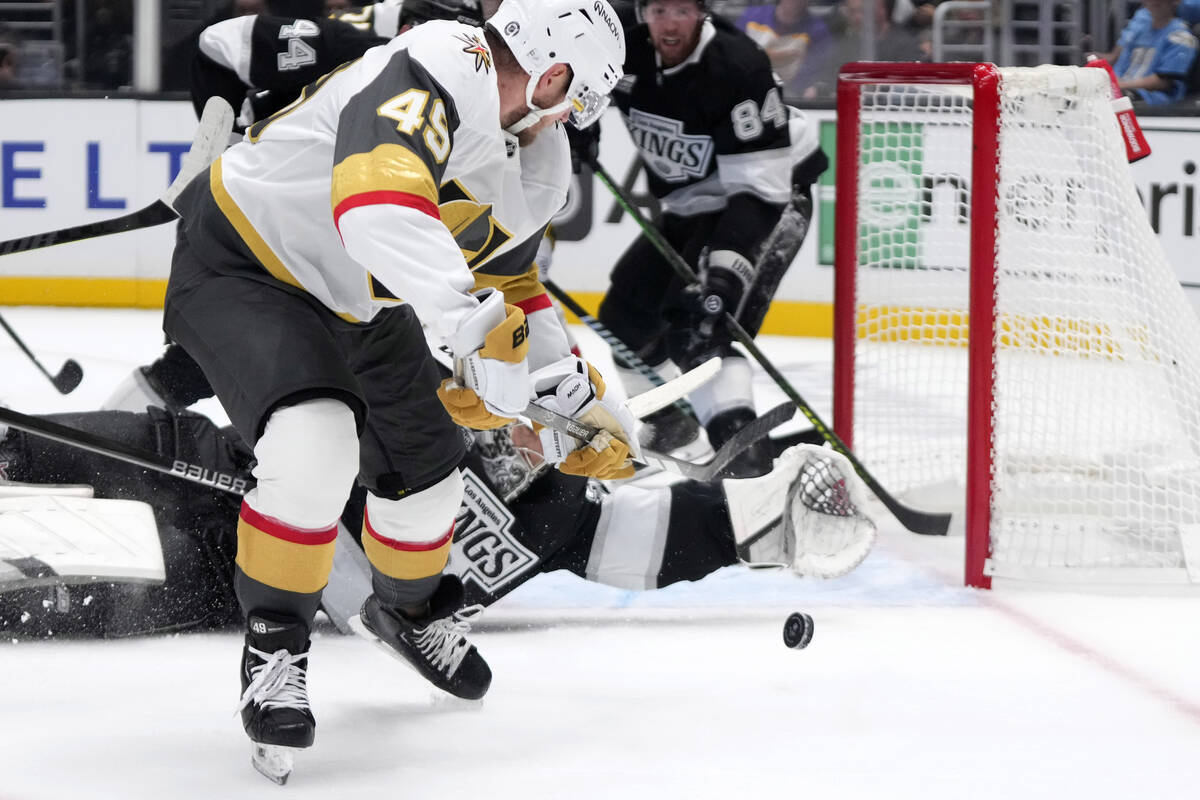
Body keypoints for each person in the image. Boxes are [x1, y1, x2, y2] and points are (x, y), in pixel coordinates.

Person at [159, 0, 628, 780]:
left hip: (359, 303)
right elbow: (376, 205)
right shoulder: (443, 58)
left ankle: (410, 613)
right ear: (552, 76)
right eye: (578, 100)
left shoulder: (535, 162)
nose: (572, 120)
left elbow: (511, 284)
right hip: (245, 261)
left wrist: (571, 398)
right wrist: (471, 337)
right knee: (314, 447)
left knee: (430, 479)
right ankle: (276, 643)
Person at [0, 408, 875, 641]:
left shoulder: (561, 515)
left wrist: (770, 517)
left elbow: (658, 540)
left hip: (220, 569)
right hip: (205, 456)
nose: (518, 445)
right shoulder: (427, 371)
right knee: (25, 444)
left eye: (539, 441)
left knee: (41, 587)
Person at [594, 0, 827, 478]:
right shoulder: (616, 44)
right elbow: (571, 85)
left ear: (702, 12)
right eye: (658, 10)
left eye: (681, 10)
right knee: (624, 317)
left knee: (699, 327)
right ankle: (670, 421)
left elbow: (759, 192)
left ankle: (749, 465)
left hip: (771, 195)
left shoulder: (735, 66)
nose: (669, 23)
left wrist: (724, 276)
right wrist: (576, 129)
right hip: (693, 201)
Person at [1101, 0, 1198, 106]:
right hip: (1122, 91)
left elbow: (1162, 82)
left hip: (1152, 99)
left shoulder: (1180, 36)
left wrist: (1119, 85)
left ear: (1175, 2)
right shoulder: (1139, 31)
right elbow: (1120, 67)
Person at [736, 0, 833, 100]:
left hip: (791, 98)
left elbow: (813, 73)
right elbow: (734, 56)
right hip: (747, 93)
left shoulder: (818, 31)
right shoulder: (751, 16)